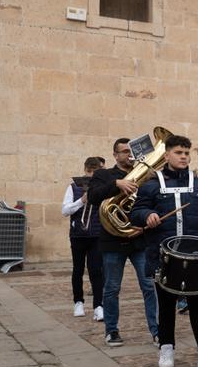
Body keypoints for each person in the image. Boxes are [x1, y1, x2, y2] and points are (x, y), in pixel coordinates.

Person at [130, 135, 198, 367]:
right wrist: (146, 216)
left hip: (194, 253)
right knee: (165, 303)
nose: (183, 157)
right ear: (167, 156)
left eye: (186, 153)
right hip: (164, 254)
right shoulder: (151, 183)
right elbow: (137, 211)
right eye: (178, 153)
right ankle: (166, 347)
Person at [87, 138, 159, 347]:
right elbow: (92, 197)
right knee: (111, 288)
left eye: (131, 151)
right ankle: (111, 330)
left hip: (139, 239)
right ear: (115, 154)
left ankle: (156, 330)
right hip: (112, 241)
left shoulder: (145, 175)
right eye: (124, 151)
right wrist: (116, 184)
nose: (128, 155)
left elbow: (153, 203)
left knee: (148, 286)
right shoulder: (104, 175)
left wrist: (144, 224)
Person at [62, 156, 105, 320]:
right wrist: (81, 200)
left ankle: (98, 306)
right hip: (78, 235)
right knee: (78, 270)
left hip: (96, 235)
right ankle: (78, 302)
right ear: (85, 170)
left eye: (94, 173)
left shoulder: (102, 188)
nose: (91, 176)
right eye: (89, 172)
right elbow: (65, 211)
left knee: (96, 271)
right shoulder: (73, 188)